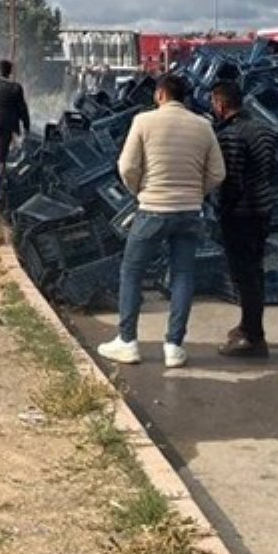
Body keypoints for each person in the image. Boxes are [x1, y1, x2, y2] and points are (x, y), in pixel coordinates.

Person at [98, 73, 226, 368]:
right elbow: (218, 173)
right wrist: (196, 192)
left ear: (159, 95)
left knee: (132, 271)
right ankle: (174, 346)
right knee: (182, 275)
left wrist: (140, 191)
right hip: (190, 212)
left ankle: (127, 341)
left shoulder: (143, 122)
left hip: (152, 209)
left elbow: (127, 166)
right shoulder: (203, 126)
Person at [210, 81, 278, 358]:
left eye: (213, 103)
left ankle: (253, 337)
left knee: (244, 275)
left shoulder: (231, 135)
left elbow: (231, 180)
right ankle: (248, 325)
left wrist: (221, 208)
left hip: (241, 213)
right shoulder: (265, 129)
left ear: (221, 104)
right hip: (263, 208)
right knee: (255, 271)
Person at [0, 59, 31, 167]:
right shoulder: (15, 88)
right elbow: (22, 109)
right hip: (6, 125)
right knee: (1, 154)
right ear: (9, 72)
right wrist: (26, 126)